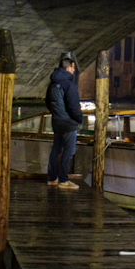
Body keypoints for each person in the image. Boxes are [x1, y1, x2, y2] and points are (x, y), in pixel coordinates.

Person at [45, 53, 82, 189]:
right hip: (68, 123)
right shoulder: (69, 85)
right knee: (69, 150)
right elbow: (74, 106)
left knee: (56, 149)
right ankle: (63, 180)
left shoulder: (53, 84)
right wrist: (79, 119)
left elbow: (48, 103)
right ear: (69, 67)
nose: (74, 71)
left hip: (57, 121)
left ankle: (52, 178)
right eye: (73, 68)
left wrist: (57, 114)